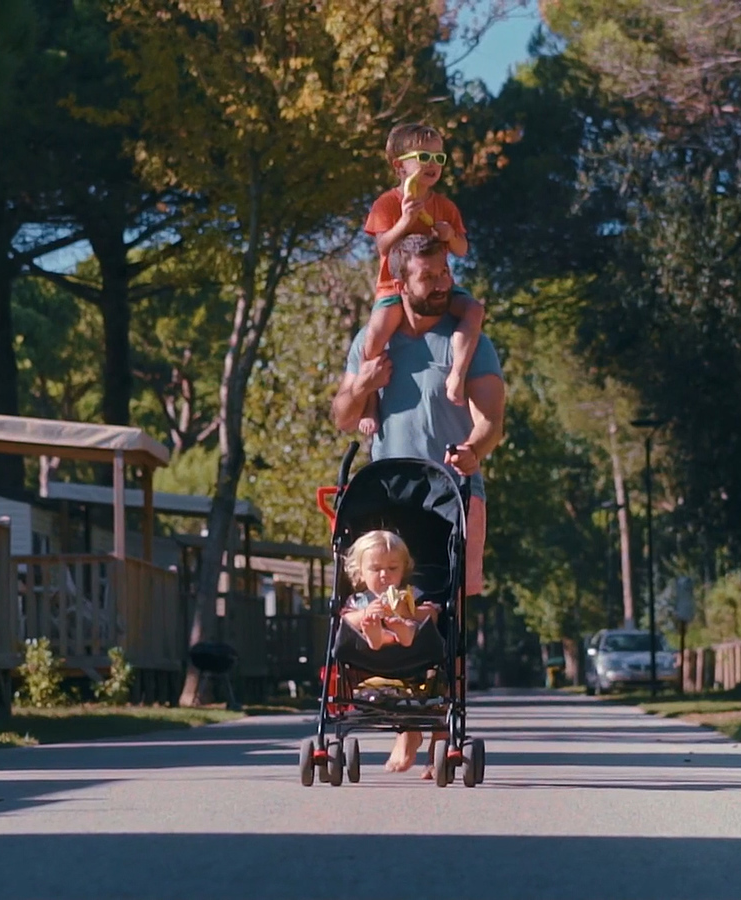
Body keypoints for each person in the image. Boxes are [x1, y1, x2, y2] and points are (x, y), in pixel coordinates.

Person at [331, 232, 506, 777]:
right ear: (401, 283)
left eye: (445, 273)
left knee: (447, 606)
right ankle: (410, 728)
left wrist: (475, 451)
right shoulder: (375, 339)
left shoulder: (467, 339)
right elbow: (342, 416)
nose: (442, 284)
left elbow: (490, 422)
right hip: (390, 495)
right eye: (428, 277)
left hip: (454, 491)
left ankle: (438, 732)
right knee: (391, 602)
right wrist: (361, 383)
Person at [356, 123, 482, 437]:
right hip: (396, 287)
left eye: (440, 158)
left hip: (438, 285)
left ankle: (457, 374)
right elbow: (384, 245)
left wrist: (450, 235)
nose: (433, 165)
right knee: (373, 340)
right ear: (400, 165)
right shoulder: (387, 204)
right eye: (424, 156)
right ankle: (370, 401)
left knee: (474, 310)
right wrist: (405, 222)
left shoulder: (445, 206)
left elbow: (462, 250)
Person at [341, 530, 430, 651]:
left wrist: (407, 612)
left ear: (403, 570)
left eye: (392, 568)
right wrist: (365, 613)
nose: (384, 574)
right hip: (369, 648)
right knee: (368, 629)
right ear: (361, 573)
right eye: (376, 569)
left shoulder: (410, 593)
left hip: (410, 647)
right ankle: (378, 636)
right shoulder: (360, 600)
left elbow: (432, 615)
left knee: (410, 625)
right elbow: (344, 621)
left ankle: (404, 632)